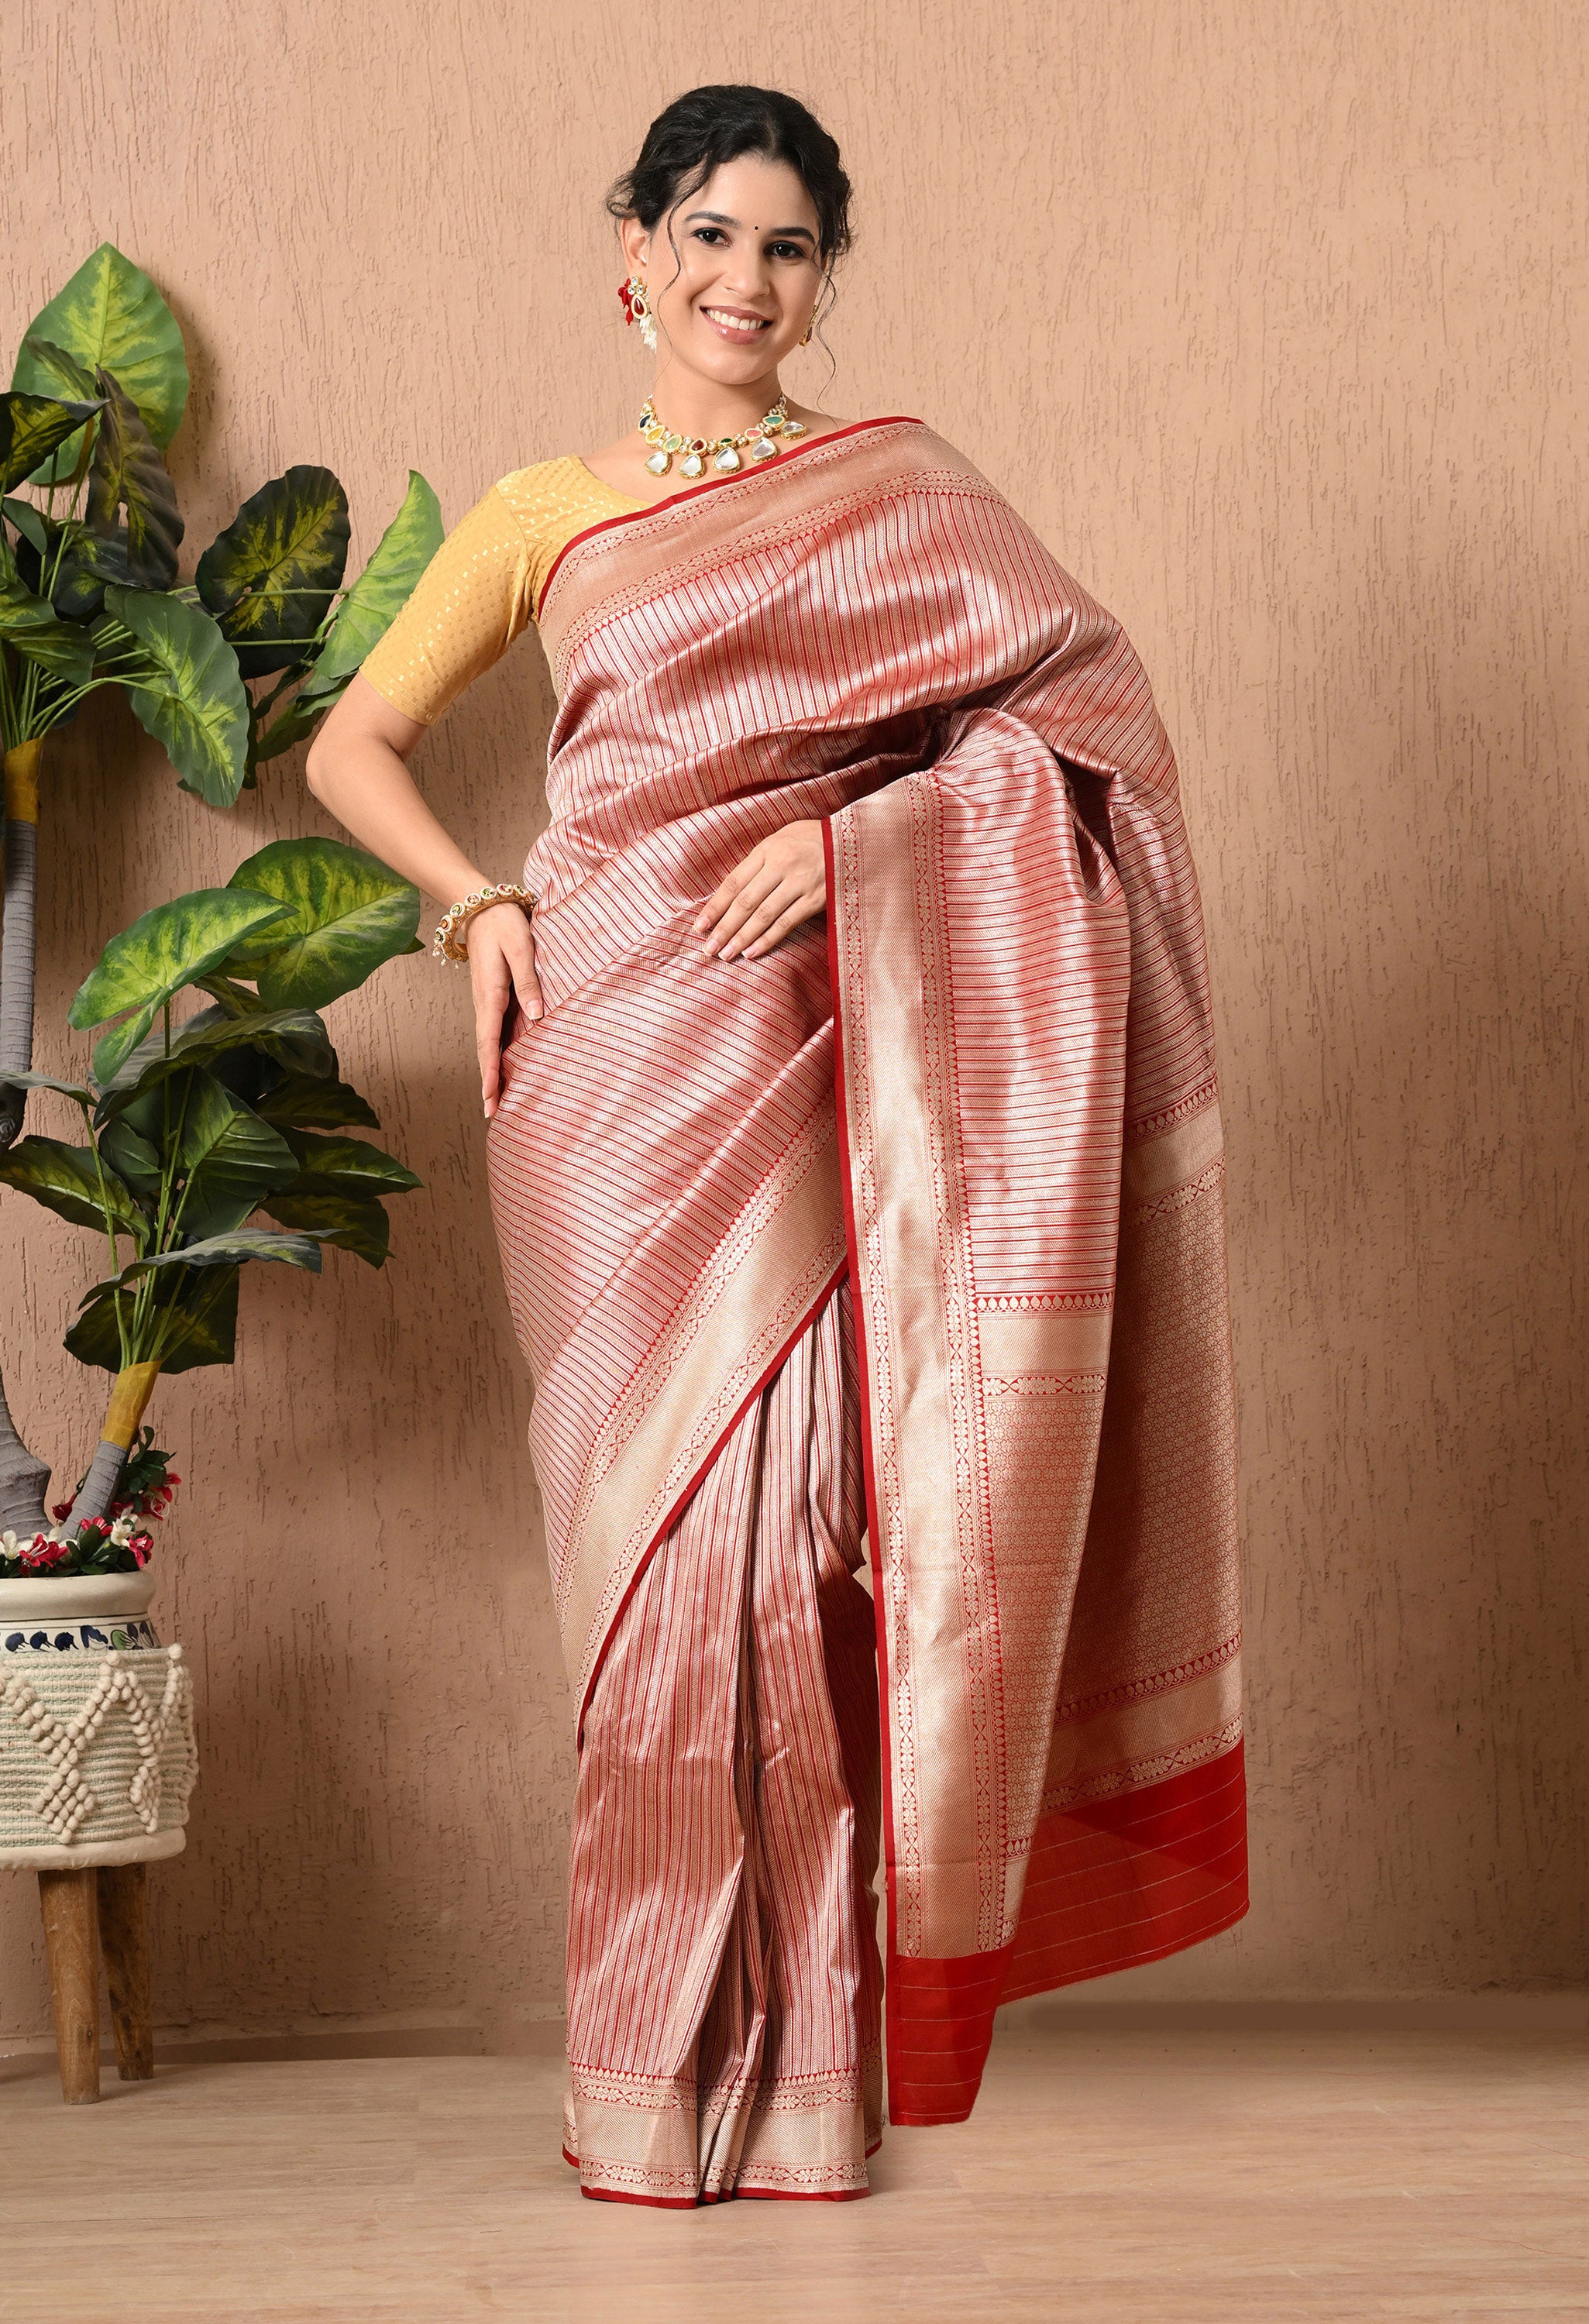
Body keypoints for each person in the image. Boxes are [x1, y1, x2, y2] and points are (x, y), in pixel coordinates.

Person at [306, 82, 1249, 2209]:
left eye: (789, 245)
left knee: (805, 1547)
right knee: (649, 1589)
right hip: (606, 1057)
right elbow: (347, 740)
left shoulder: (898, 487)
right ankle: (650, 2075)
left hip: (831, 1043)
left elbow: (1083, 724)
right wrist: (476, 904)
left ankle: (805, 2081)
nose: (745, 281)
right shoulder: (547, 507)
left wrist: (868, 839)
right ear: (627, 249)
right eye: (707, 236)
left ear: (829, 273)